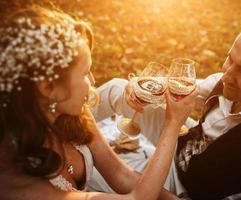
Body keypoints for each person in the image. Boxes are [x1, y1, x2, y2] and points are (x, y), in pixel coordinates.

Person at [0, 3, 200, 200]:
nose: (94, 82)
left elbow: (122, 176)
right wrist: (172, 124)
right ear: (48, 88)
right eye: (85, 73)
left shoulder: (74, 113)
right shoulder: (20, 183)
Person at [92, 18, 241, 199]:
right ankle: (67, 125)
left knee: (92, 176)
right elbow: (178, 88)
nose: (226, 76)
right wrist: (138, 88)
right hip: (181, 143)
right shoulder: (227, 83)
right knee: (117, 89)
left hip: (185, 187)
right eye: (230, 58)